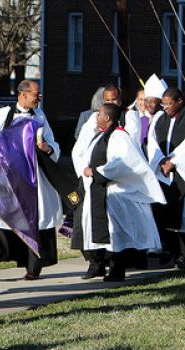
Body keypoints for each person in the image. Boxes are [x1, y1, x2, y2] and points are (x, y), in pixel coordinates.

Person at [72, 103, 164, 281]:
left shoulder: (120, 137)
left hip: (115, 193)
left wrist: (96, 172)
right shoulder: (102, 136)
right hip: (100, 192)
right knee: (106, 232)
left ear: (107, 118)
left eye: (99, 114)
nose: (96, 117)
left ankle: (117, 269)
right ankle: (99, 264)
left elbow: (123, 163)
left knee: (117, 233)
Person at [0, 80, 62, 280]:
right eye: (37, 94)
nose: (39, 98)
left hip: (34, 177)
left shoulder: (40, 115)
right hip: (8, 177)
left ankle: (33, 267)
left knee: (35, 220)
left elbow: (52, 141)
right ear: (23, 94)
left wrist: (48, 148)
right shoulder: (2, 115)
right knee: (1, 218)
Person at [146, 87, 185, 268]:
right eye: (164, 103)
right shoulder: (160, 118)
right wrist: (161, 160)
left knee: (181, 215)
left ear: (179, 102)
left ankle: (182, 255)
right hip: (163, 172)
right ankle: (170, 250)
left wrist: (174, 161)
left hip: (181, 172)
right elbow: (152, 141)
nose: (165, 107)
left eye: (169, 104)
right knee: (165, 211)